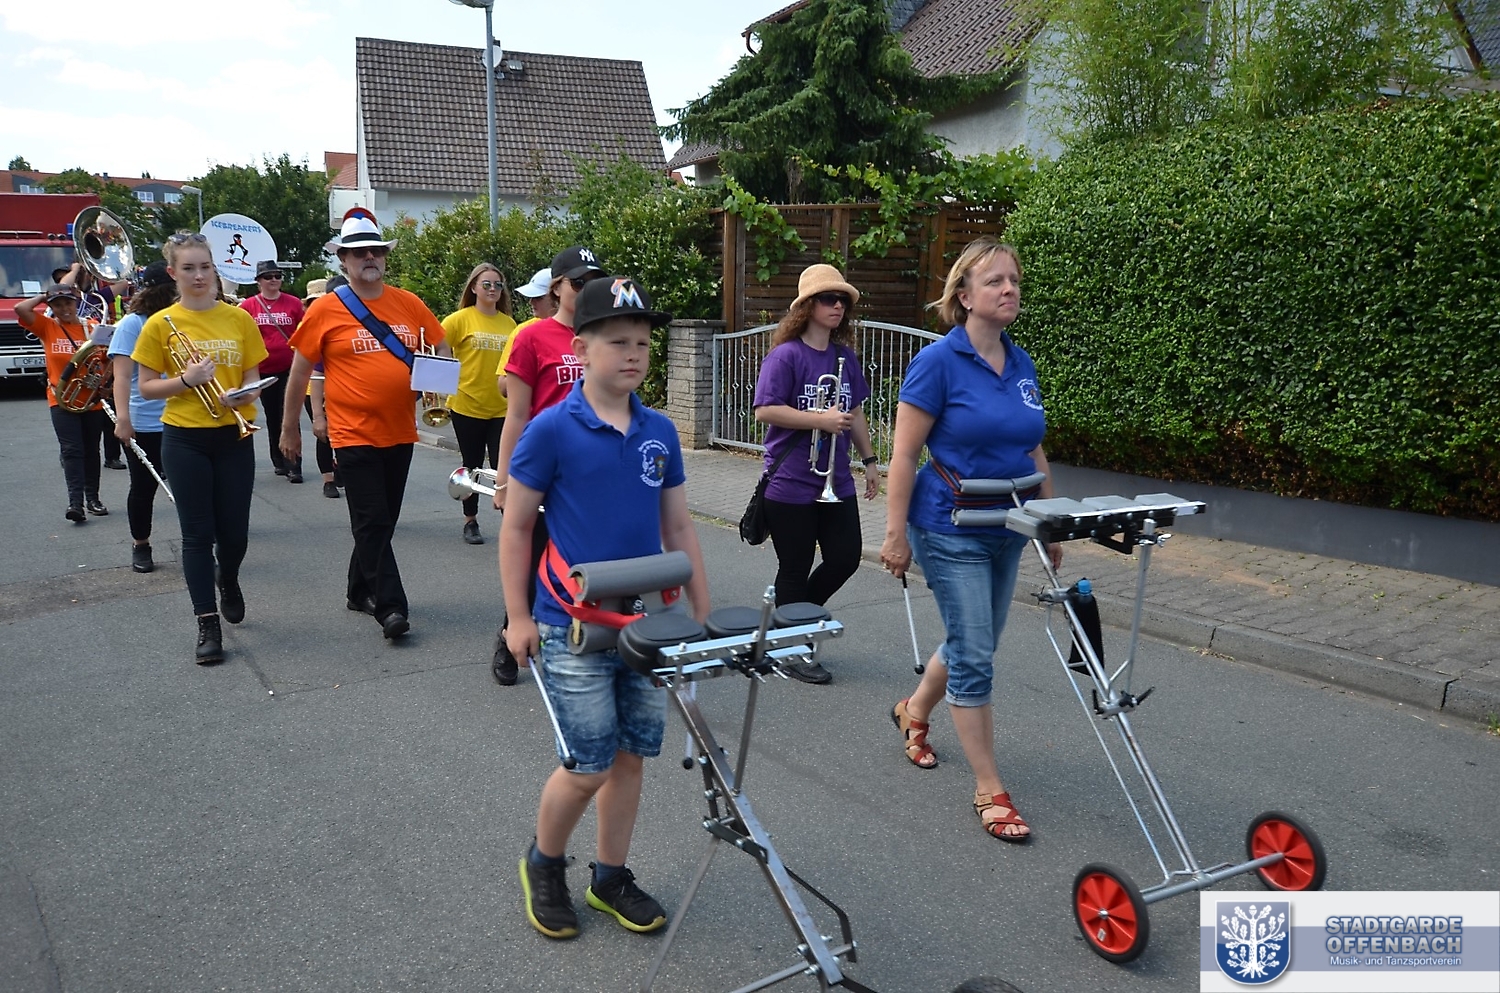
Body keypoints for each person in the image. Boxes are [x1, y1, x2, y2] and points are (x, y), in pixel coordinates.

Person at [501, 275, 709, 940]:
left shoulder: (659, 431)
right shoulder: (550, 430)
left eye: (642, 343)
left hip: (644, 624)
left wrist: (701, 613)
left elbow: (678, 527)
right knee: (588, 762)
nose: (633, 354)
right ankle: (544, 862)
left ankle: (610, 876)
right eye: (618, 341)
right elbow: (517, 527)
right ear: (580, 349)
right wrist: (518, 618)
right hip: (570, 625)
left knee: (629, 758)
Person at [880, 237, 1061, 842]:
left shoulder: (1021, 362)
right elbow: (904, 455)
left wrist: (1049, 519)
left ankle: (914, 711)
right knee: (976, 651)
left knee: (970, 642)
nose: (1009, 289)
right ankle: (989, 787)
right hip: (948, 526)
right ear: (964, 296)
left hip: (1008, 527)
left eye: (1014, 280)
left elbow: (1032, 447)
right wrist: (894, 535)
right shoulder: (938, 363)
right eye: (994, 281)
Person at [280, 209, 449, 641]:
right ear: (344, 261)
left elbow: (440, 345)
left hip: (401, 431)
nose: (369, 257)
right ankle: (391, 607)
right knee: (371, 521)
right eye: (359, 253)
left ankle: (358, 590)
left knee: (383, 520)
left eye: (376, 250)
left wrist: (435, 383)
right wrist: (290, 426)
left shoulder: (409, 302)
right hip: (351, 433)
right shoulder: (325, 308)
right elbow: (300, 372)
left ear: (385, 257)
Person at [132, 232, 269, 665]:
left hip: (232, 434)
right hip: (184, 437)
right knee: (196, 534)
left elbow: (253, 380)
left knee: (235, 533)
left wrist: (243, 396)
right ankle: (207, 623)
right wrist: (186, 381)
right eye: (188, 268)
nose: (198, 276)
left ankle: (228, 577)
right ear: (173, 273)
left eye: (205, 267)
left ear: (215, 269)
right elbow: (146, 387)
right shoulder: (160, 324)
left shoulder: (239, 319)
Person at [752, 264, 880, 684]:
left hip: (835, 479)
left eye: (842, 300)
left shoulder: (844, 357)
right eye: (828, 298)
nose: (838, 305)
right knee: (795, 566)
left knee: (845, 557)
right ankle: (793, 647)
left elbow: (854, 410)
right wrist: (818, 420)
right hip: (790, 481)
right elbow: (765, 410)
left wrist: (869, 461)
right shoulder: (786, 355)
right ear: (807, 306)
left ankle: (792, 622)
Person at [488, 246, 608, 686]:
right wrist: (504, 480)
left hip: (591, 474)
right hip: (542, 471)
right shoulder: (532, 337)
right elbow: (517, 414)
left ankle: (579, 644)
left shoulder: (605, 335)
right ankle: (510, 635)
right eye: (578, 282)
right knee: (532, 561)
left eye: (594, 281)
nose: (586, 289)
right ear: (556, 287)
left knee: (585, 564)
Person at [16, 282, 110, 521]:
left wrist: (107, 384)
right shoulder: (47, 326)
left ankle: (93, 499)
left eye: (68, 303)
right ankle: (75, 503)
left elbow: (108, 359)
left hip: (91, 400)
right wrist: (43, 297)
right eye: (57, 305)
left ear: (76, 303)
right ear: (52, 307)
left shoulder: (93, 327)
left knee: (91, 450)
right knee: (71, 450)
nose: (64, 309)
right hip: (61, 399)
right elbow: (20, 308)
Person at [107, 261, 177, 572]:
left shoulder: (183, 319)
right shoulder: (132, 324)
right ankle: (141, 544)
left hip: (183, 418)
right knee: (143, 487)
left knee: (192, 487)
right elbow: (121, 376)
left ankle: (200, 543)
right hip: (145, 420)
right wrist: (123, 418)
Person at [441, 263, 515, 545]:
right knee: (471, 464)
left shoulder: (509, 324)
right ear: (473, 287)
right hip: (467, 404)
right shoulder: (458, 320)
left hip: (502, 407)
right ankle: (470, 521)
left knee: (502, 467)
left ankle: (510, 525)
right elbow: (438, 348)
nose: (493, 289)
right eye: (486, 284)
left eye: (498, 285)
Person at [241, 259, 306, 482]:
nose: (274, 280)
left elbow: (304, 330)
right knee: (272, 415)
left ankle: (294, 464)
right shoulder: (248, 306)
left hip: (289, 367)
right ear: (259, 281)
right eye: (268, 277)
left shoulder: (293, 303)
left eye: (277, 276)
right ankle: (278, 459)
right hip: (262, 369)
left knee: (289, 414)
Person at [301, 277, 344, 498]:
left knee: (344, 435)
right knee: (324, 434)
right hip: (316, 389)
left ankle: (341, 467)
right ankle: (328, 480)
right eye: (314, 301)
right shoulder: (309, 324)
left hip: (343, 391)